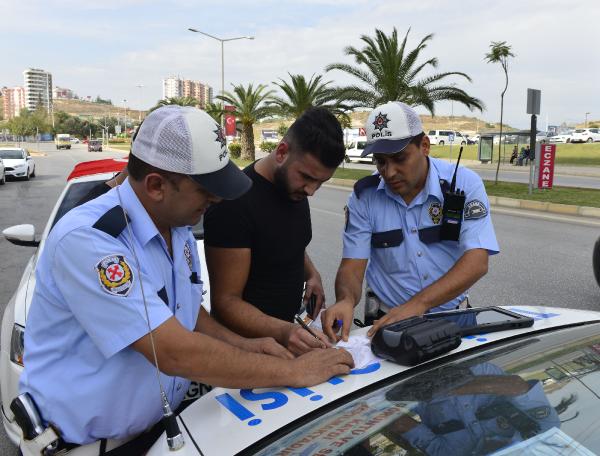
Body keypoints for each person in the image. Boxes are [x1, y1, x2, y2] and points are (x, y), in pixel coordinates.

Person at [19, 106, 353, 451]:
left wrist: (246, 345)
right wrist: (296, 371)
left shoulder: (175, 229)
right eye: (206, 190)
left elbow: (188, 312)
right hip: (85, 446)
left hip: (158, 431)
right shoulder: (91, 241)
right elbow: (173, 351)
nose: (218, 199)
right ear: (156, 186)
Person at [321, 101, 499, 341]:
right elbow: (352, 266)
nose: (389, 172)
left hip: (454, 318)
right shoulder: (364, 197)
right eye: (381, 161)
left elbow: (477, 262)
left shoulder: (464, 185)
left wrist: (419, 305)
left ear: (424, 145)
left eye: (399, 158)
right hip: (388, 321)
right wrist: (346, 300)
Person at [203, 107, 346, 356]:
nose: (311, 191)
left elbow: (286, 243)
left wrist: (312, 275)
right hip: (244, 352)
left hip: (285, 340)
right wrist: (285, 332)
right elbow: (226, 302)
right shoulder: (235, 203)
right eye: (307, 177)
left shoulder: (293, 188)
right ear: (281, 152)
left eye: (321, 183)